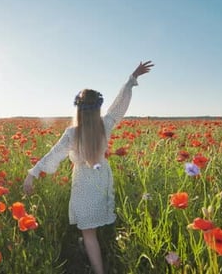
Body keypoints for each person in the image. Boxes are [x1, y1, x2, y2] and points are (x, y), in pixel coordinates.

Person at [23, 60, 154, 274]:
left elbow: (52, 155)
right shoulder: (106, 125)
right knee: (96, 226)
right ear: (97, 109)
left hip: (83, 183)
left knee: (89, 233)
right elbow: (119, 105)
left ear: (78, 110)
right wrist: (131, 80)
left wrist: (32, 174)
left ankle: (98, 270)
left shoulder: (72, 134)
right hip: (102, 178)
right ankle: (103, 256)